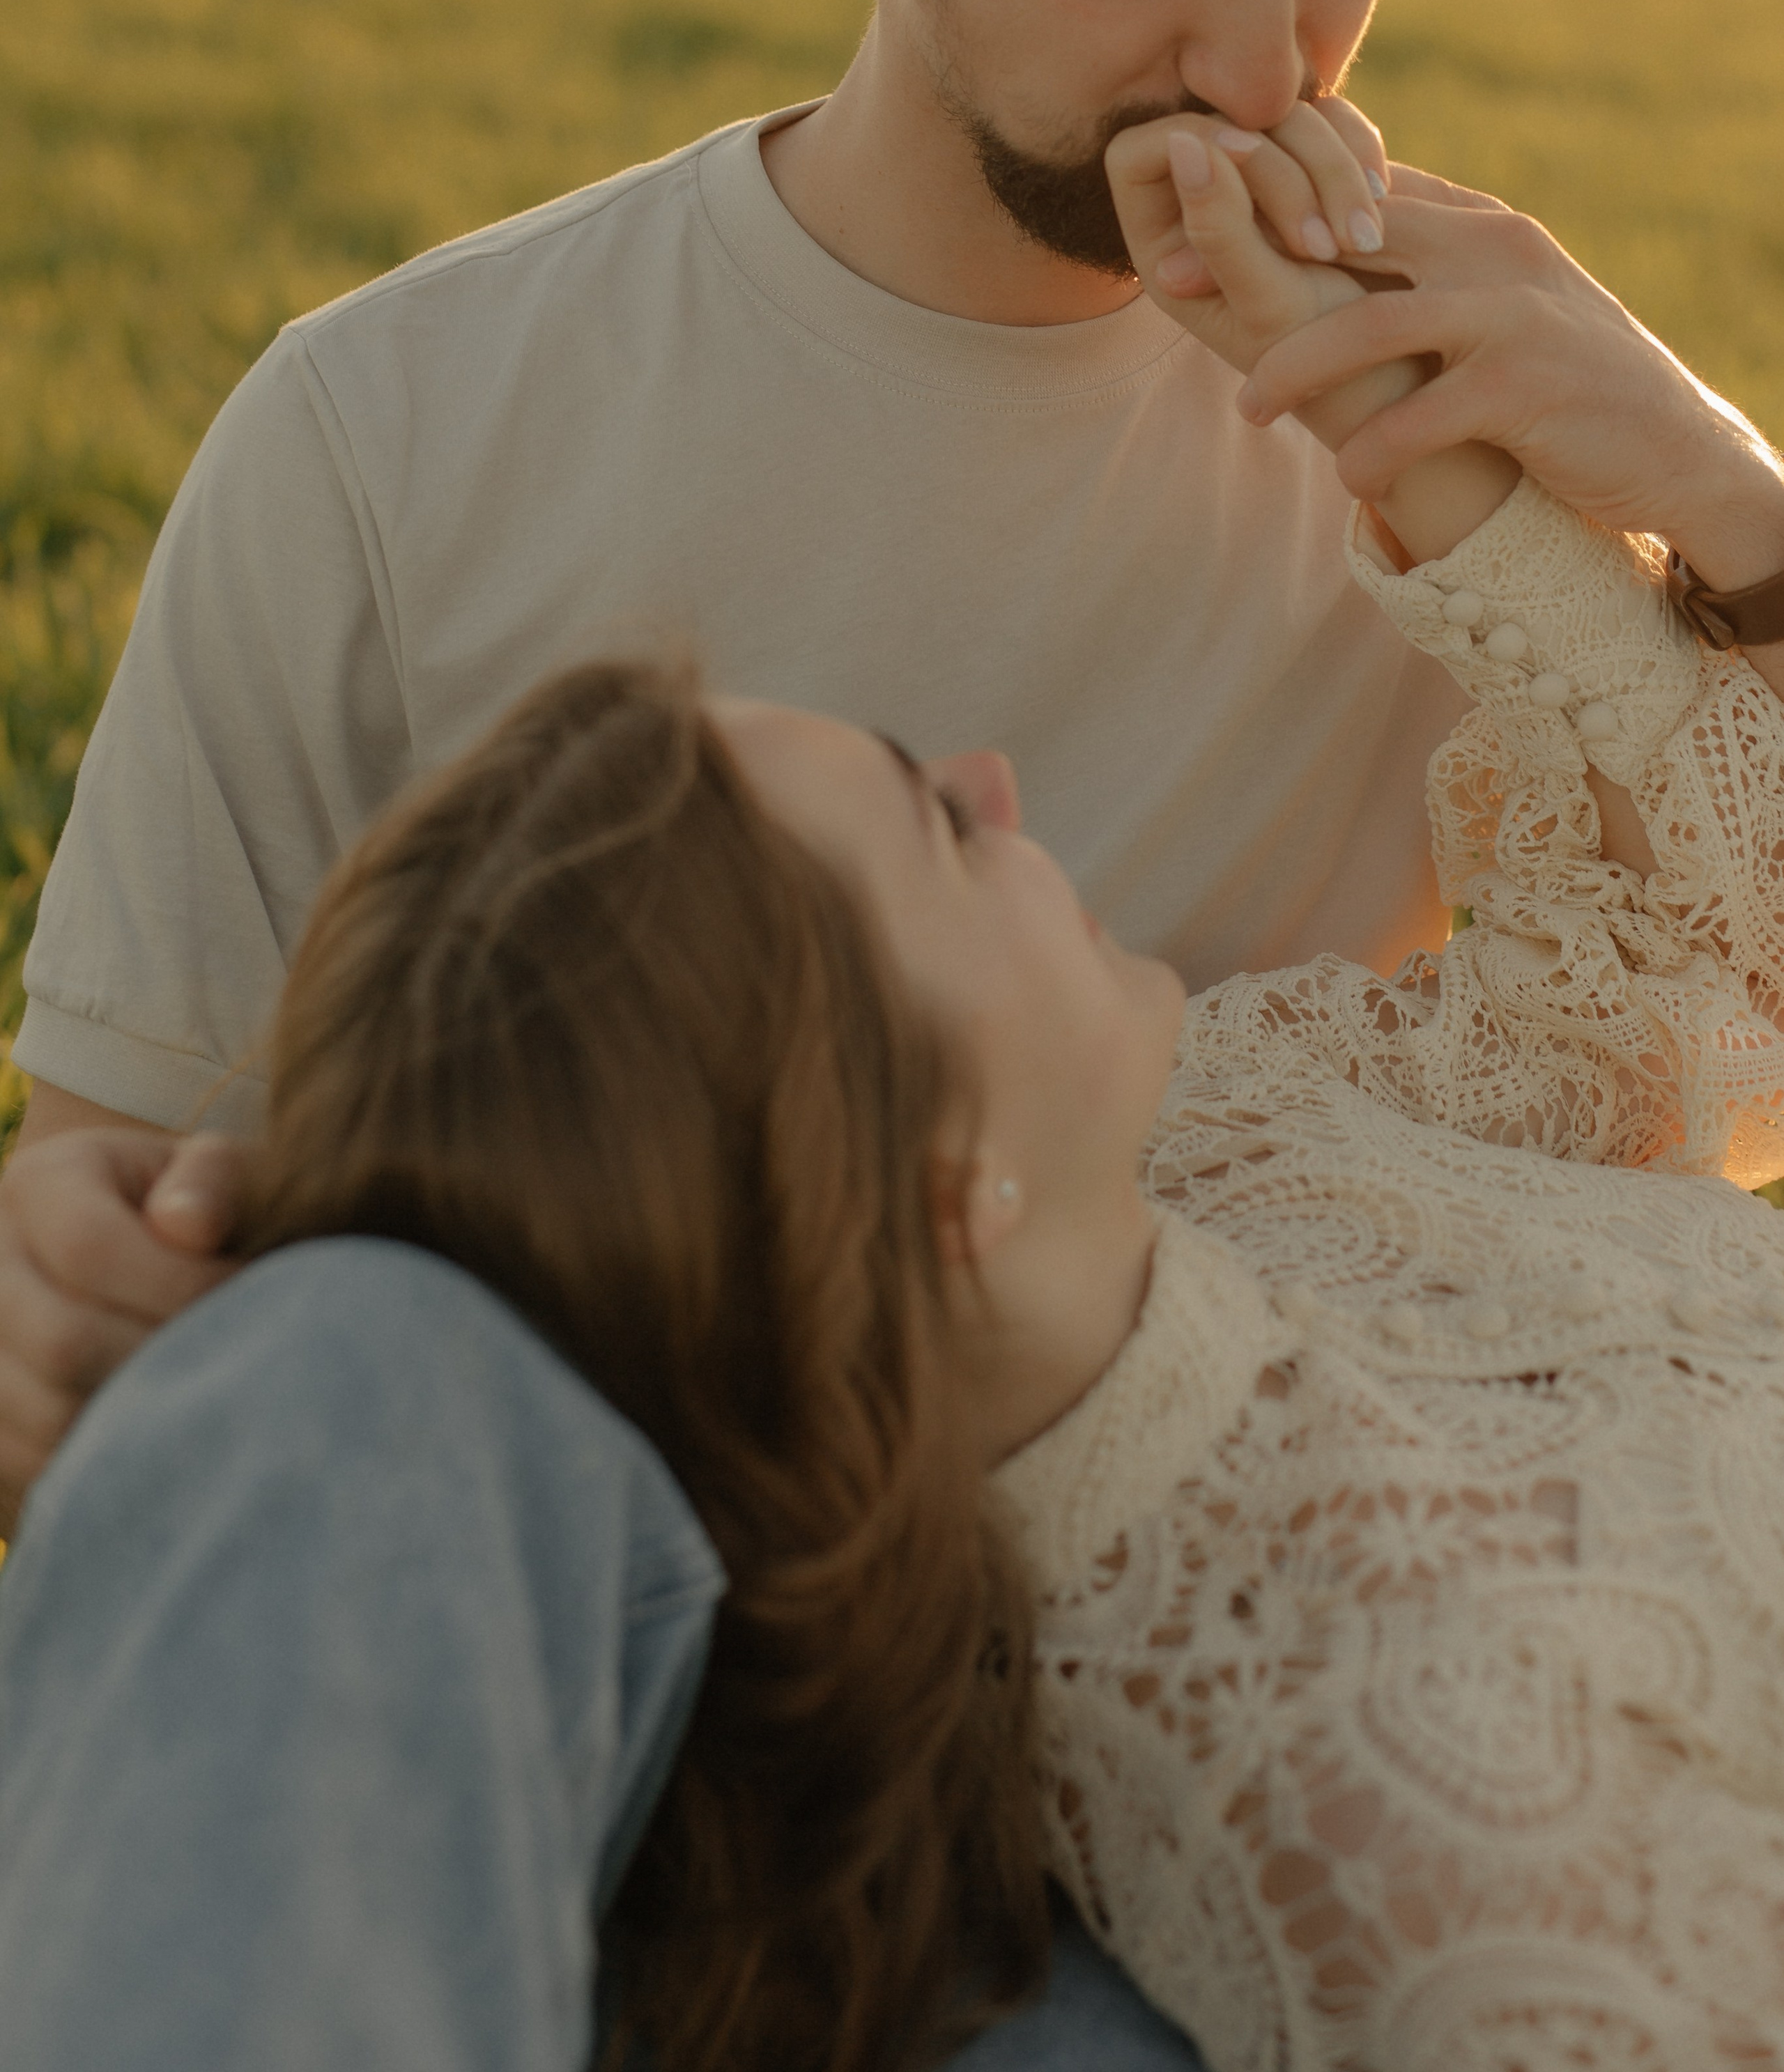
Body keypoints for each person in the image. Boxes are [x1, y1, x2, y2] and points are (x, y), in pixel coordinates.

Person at [4, 142, 1782, 2070]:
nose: (1006, 788)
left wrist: (1420, 419)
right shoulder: (1381, 1762)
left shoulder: (1242, 1116)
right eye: (938, 829)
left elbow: (1707, 945)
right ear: (948, 1185)